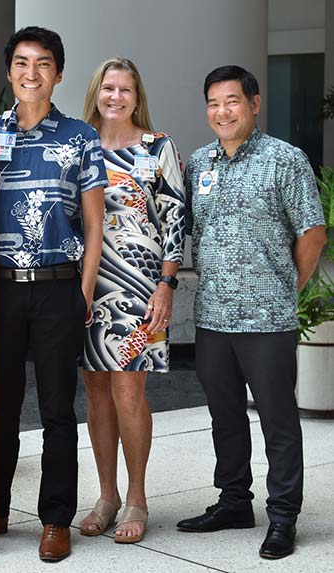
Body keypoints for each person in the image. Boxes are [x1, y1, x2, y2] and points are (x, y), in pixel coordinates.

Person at [178, 65, 326, 560]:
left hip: (267, 321)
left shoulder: (285, 160)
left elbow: (312, 234)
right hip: (213, 317)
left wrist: (285, 289)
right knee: (224, 417)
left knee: (278, 421)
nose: (223, 111)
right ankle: (234, 502)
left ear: (254, 104)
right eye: (214, 103)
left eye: (233, 101)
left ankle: (283, 516)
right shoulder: (199, 163)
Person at [0, 26, 106, 562]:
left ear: (57, 74)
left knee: (58, 410)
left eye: (42, 64)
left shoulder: (80, 136)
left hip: (59, 288)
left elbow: (93, 222)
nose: (30, 73)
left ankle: (55, 518)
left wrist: (83, 292)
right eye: (20, 63)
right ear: (8, 71)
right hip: (0, 290)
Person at [78, 58, 186, 544]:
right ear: (96, 93)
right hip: (85, 283)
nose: (115, 97)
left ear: (137, 96)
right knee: (96, 392)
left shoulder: (157, 147)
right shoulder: (79, 145)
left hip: (140, 286)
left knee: (128, 392)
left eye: (125, 89)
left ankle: (137, 497)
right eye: (108, 88)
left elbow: (175, 219)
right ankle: (107, 495)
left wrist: (168, 283)